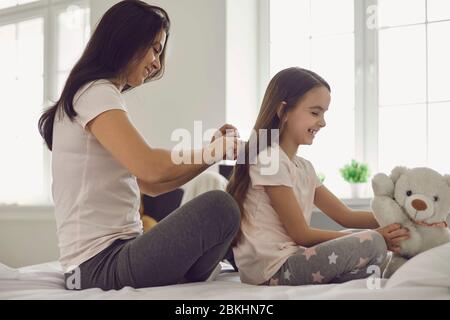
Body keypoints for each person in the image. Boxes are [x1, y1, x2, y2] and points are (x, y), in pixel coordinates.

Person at [38, 0, 240, 290]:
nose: (157, 62)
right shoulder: (95, 92)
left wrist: (210, 154)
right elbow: (150, 167)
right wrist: (214, 151)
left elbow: (150, 184)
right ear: (128, 39)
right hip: (97, 265)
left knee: (222, 204)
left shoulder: (92, 95)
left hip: (105, 259)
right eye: (155, 49)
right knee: (220, 206)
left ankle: (206, 269)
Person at [226, 67, 410, 286]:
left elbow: (346, 216)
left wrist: (403, 219)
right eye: (315, 113)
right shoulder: (269, 160)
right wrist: (377, 236)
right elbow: (301, 234)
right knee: (372, 243)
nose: (322, 122)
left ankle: (364, 270)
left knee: (361, 236)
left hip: (291, 259)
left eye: (324, 114)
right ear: (283, 111)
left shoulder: (304, 167)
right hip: (273, 269)